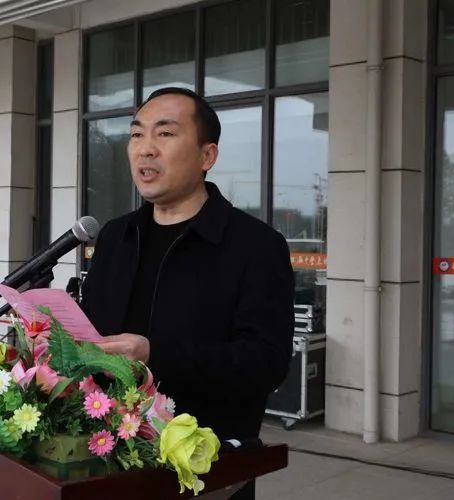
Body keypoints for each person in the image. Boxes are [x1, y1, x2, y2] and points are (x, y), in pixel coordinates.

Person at [80, 87, 294, 500]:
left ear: (207, 156)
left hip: (204, 471)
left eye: (165, 133)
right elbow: (94, 332)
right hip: (106, 459)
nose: (146, 148)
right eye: (137, 134)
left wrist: (154, 354)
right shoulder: (115, 237)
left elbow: (265, 363)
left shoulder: (255, 246)